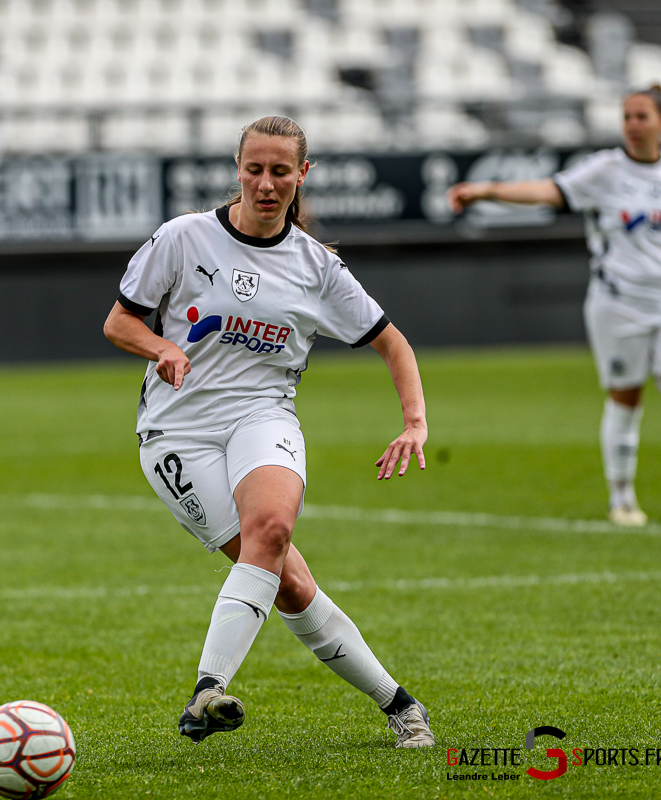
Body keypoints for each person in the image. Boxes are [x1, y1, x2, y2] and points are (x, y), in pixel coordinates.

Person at [102, 116, 435, 748]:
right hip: (177, 433)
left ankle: (207, 689)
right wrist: (162, 348)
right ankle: (399, 703)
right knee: (291, 583)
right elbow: (119, 322)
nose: (265, 183)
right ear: (238, 169)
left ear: (302, 175)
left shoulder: (317, 266)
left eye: (280, 171)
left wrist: (414, 423)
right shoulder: (183, 237)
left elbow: (393, 342)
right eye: (254, 169)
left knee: (273, 531)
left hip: (263, 415)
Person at [448, 85, 661, 527]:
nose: (633, 125)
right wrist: (485, 191)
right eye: (627, 116)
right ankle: (622, 498)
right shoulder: (605, 170)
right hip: (619, 303)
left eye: (642, 116)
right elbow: (547, 190)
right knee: (626, 397)